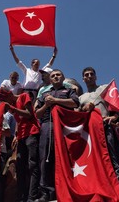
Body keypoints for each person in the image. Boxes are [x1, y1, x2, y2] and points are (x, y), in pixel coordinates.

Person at [78, 67, 119, 202]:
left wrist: (115, 117)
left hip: (105, 128)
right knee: (95, 162)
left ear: (96, 77)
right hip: (89, 134)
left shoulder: (104, 88)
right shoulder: (81, 98)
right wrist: (85, 109)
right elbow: (77, 114)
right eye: (86, 75)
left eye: (91, 74)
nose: (89, 76)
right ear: (83, 79)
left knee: (113, 161)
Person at [34, 69, 80, 202]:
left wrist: (55, 100)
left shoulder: (69, 90)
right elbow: (37, 114)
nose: (55, 77)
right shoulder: (45, 93)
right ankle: (46, 193)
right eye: (53, 76)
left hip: (65, 126)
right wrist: (47, 105)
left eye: (58, 75)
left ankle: (66, 189)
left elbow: (75, 103)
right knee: (45, 158)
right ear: (50, 79)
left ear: (63, 77)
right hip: (47, 125)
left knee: (65, 157)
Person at [0, 87, 41, 202]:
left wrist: (12, 108)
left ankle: (32, 196)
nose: (6, 102)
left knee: (32, 164)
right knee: (20, 166)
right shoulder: (12, 106)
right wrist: (16, 134)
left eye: (5, 98)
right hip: (21, 136)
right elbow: (19, 121)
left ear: (10, 94)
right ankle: (22, 197)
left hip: (32, 132)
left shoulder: (23, 96)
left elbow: (29, 114)